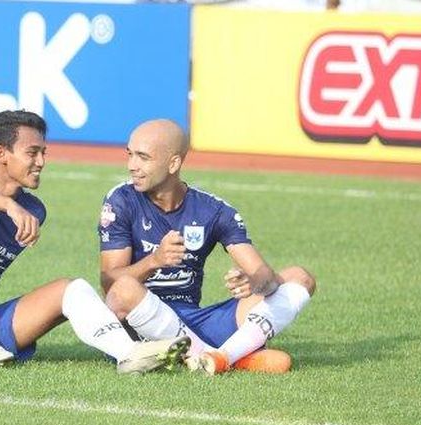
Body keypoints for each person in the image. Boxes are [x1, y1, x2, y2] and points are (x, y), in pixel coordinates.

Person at [0, 110, 189, 374]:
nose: (42, 161)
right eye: (32, 152)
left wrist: (15, 206)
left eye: (44, 152)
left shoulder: (34, 210)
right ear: (2, 153)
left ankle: (128, 354)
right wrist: (7, 205)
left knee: (71, 288)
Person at [97, 119, 317, 375]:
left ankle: (218, 357)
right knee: (124, 290)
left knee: (299, 277)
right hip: (139, 325)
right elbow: (109, 284)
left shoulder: (213, 211)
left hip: (194, 321)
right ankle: (220, 354)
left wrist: (255, 282)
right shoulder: (120, 200)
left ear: (173, 163)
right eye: (130, 155)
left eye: (143, 157)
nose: (132, 166)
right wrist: (154, 261)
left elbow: (263, 275)